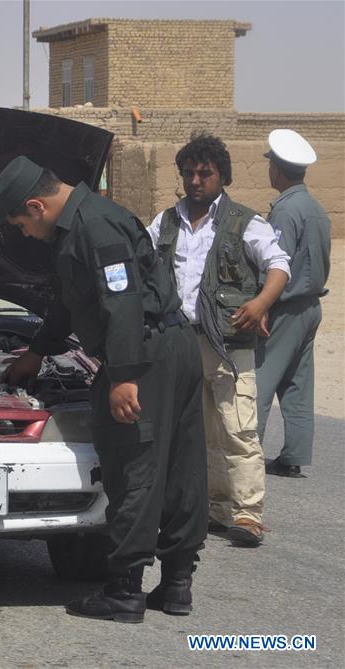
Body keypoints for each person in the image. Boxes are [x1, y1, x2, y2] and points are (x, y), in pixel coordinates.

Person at [0, 155, 207, 623]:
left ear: (36, 205)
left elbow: (122, 299)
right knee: (179, 466)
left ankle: (125, 591)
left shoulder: (96, 229)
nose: (25, 235)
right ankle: (176, 586)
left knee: (134, 467)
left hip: (145, 355)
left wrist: (124, 374)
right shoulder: (85, 224)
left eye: (22, 225)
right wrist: (37, 352)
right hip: (171, 346)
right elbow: (71, 303)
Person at [146, 133, 290, 548]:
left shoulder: (246, 222)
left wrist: (260, 304)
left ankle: (247, 514)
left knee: (236, 428)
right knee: (191, 430)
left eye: (204, 173)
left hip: (228, 345)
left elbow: (278, 266)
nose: (195, 180)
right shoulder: (165, 222)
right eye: (189, 173)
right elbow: (143, 260)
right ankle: (213, 508)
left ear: (221, 176)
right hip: (179, 341)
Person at [256, 129, 331, 478]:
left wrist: (262, 304)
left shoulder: (286, 210)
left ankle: (246, 453)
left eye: (271, 165)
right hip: (311, 306)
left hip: (285, 306)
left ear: (279, 170)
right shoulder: (315, 208)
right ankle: (294, 455)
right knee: (298, 384)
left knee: (260, 379)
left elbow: (277, 263)